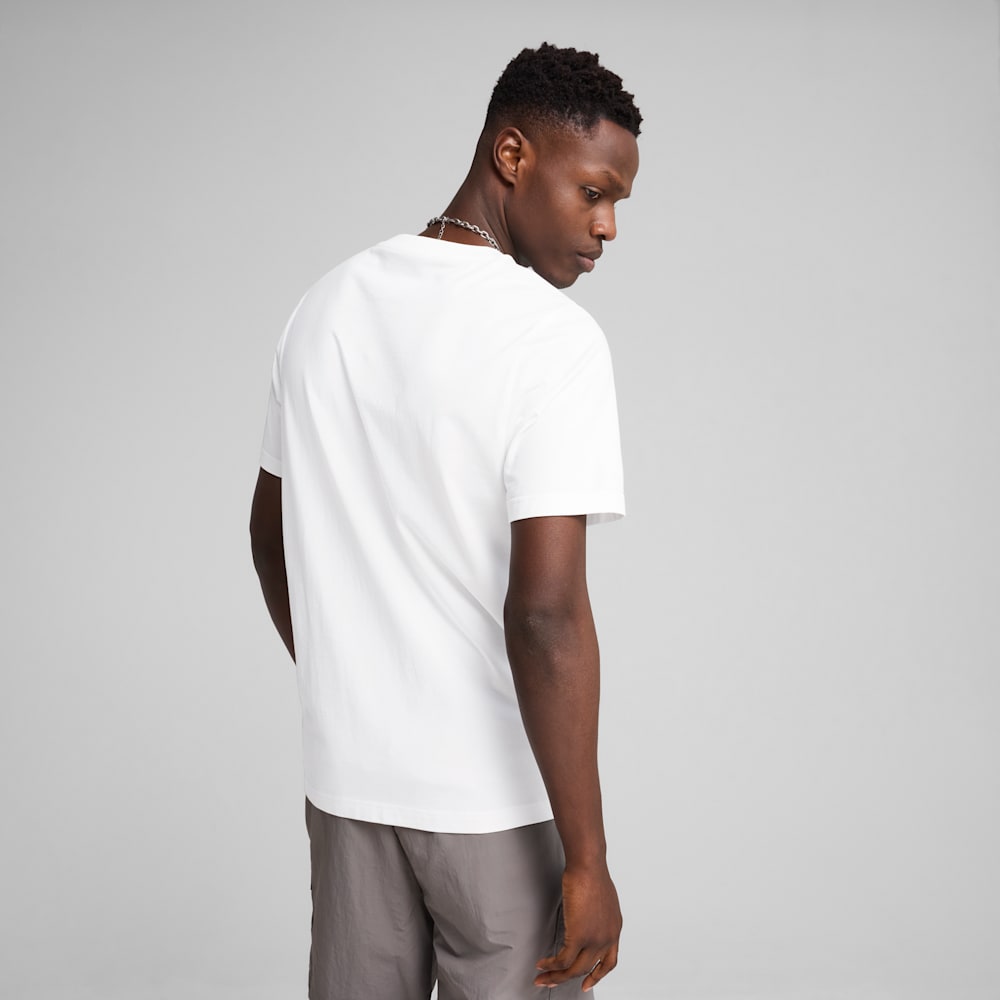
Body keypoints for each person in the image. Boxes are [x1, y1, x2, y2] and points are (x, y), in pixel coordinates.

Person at [250, 42, 641, 999]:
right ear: (512, 155)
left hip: (348, 789)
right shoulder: (552, 341)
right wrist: (588, 859)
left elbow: (268, 533)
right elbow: (546, 614)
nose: (608, 226)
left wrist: (355, 681)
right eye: (594, 192)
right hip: (491, 806)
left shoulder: (324, 306)